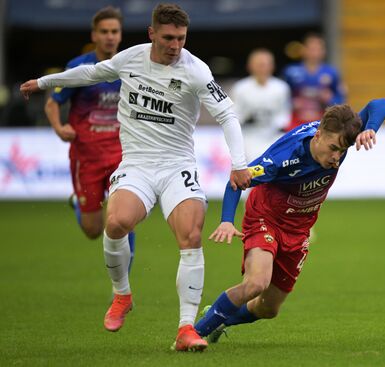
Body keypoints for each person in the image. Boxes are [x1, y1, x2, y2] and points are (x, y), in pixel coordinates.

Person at [20, 3, 251, 352]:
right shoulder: (131, 59)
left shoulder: (196, 70)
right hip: (137, 163)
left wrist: (239, 163)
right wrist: (44, 82)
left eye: (182, 39)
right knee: (116, 223)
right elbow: (90, 74)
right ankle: (122, 295)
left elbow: (228, 115)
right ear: (152, 33)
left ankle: (186, 328)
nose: (175, 45)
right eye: (169, 38)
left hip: (178, 165)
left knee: (191, 235)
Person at [194, 98, 385, 343]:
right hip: (265, 217)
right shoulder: (283, 158)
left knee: (269, 309)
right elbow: (236, 181)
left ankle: (220, 317)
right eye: (333, 149)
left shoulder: (341, 135)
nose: (337, 158)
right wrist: (226, 220)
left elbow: (380, 103)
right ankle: (193, 334)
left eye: (342, 151)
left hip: (298, 229)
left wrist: (371, 127)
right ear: (318, 136)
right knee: (256, 283)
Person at [43, 7, 135, 254]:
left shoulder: (130, 66)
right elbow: (53, 103)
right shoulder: (79, 67)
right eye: (104, 31)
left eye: (114, 31)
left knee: (124, 219)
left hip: (122, 155)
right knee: (93, 230)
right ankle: (78, 204)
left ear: (120, 34)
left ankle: (122, 289)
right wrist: (60, 128)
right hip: (87, 156)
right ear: (94, 35)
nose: (109, 36)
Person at [231, 48, 291, 161]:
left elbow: (284, 115)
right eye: (259, 64)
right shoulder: (240, 88)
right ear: (250, 66)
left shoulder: (281, 88)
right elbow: (235, 115)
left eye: (266, 64)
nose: (262, 68)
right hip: (248, 138)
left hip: (273, 137)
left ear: (272, 66)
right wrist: (246, 119)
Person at [283, 32, 345, 131]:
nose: (314, 53)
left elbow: (340, 99)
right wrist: (292, 102)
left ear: (323, 51)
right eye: (311, 49)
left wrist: (329, 99)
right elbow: (281, 97)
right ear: (303, 50)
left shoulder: (331, 73)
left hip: (322, 122)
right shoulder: (291, 72)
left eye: (317, 49)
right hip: (295, 122)